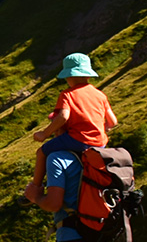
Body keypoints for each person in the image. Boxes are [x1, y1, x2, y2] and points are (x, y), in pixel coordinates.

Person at [22, 52, 119, 203]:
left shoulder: (67, 94)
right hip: (100, 143)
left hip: (78, 139)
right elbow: (112, 122)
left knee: (41, 152)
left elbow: (63, 117)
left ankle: (35, 188)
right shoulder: (100, 95)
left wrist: (44, 134)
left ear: (69, 76)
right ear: (88, 75)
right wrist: (100, 128)